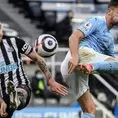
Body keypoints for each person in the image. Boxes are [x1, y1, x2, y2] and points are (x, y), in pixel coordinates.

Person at [60, 0, 118, 118]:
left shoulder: (110, 40)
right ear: (109, 11)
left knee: (90, 109)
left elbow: (113, 67)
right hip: (79, 55)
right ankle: (91, 67)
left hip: (71, 71)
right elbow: (74, 37)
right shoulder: (97, 21)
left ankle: (90, 66)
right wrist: (75, 57)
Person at [0, 23, 68, 118]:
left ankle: (16, 98)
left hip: (21, 85)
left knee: (21, 93)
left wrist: (50, 80)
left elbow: (37, 58)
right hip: (2, 97)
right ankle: (13, 100)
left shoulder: (14, 42)